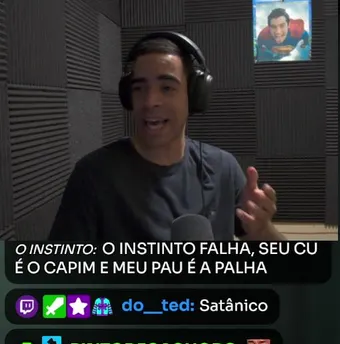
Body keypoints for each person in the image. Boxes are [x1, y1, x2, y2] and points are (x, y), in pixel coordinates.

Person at [48, 32, 284, 243]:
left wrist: (263, 231)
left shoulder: (224, 169)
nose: (150, 102)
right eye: (139, 88)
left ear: (193, 95)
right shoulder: (93, 176)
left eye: (167, 88)